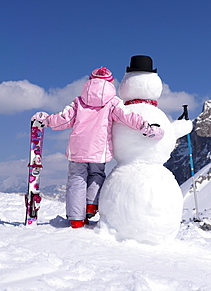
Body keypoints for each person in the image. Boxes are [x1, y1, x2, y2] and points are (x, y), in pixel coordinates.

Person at [32, 66, 164, 228]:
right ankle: (91, 204)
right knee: (96, 174)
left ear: (89, 82)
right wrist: (147, 128)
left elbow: (64, 119)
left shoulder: (78, 102)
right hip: (99, 150)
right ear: (110, 83)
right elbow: (128, 117)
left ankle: (76, 219)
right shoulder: (113, 102)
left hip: (78, 149)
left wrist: (46, 120)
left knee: (76, 179)